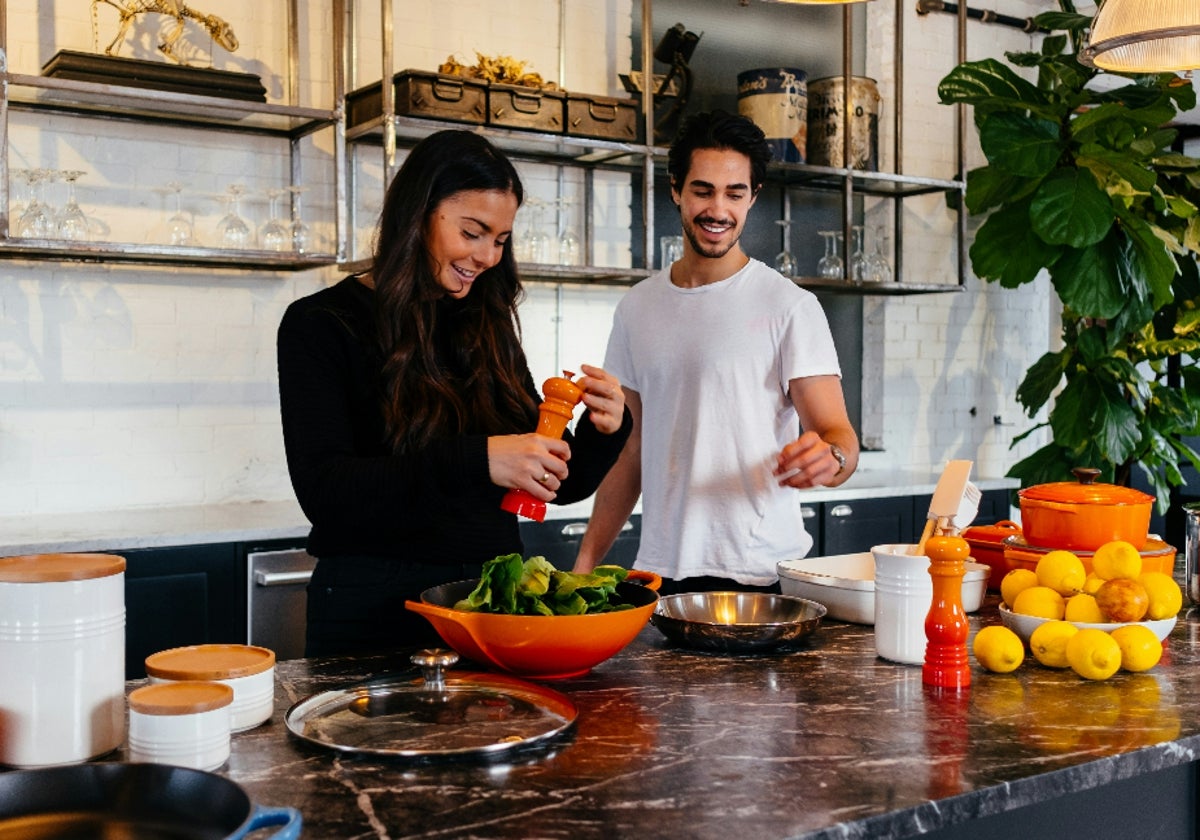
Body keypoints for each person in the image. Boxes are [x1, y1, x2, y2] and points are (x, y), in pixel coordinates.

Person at [277, 130, 632, 657]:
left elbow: (551, 486)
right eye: (473, 232)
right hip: (372, 617)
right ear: (418, 213)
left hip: (491, 608)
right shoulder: (321, 324)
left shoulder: (486, 323)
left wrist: (603, 430)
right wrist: (478, 460)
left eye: (501, 239)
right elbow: (326, 494)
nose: (487, 256)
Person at [573, 109, 859, 596]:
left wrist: (829, 459)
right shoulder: (638, 307)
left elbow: (839, 439)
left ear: (754, 197)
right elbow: (630, 451)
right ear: (676, 190)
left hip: (761, 575)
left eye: (735, 193)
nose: (718, 210)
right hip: (661, 574)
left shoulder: (790, 306)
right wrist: (583, 565)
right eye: (703, 190)